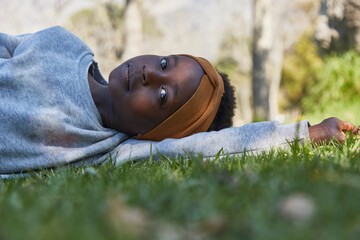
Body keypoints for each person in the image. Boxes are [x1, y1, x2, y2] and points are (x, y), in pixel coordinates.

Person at [0, 26, 357, 177]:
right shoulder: (65, 44)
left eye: (161, 97)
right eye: (164, 63)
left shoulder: (109, 148)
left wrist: (307, 133)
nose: (148, 74)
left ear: (152, 133)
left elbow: (215, 146)